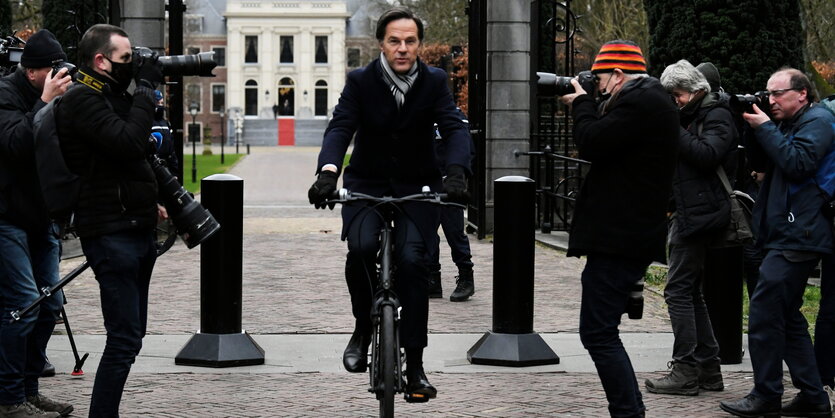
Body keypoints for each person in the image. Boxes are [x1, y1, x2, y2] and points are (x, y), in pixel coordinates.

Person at [307, 7, 471, 402]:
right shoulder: (361, 81)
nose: (402, 48)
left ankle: (414, 366)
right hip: (368, 183)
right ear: (382, 43)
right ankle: (363, 330)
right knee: (361, 249)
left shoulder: (433, 81)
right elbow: (342, 125)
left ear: (419, 44)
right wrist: (328, 172)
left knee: (415, 263)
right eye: (395, 41)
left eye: (410, 41)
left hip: (418, 186)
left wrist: (455, 172)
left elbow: (452, 126)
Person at [558, 40, 679, 417]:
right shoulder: (649, 99)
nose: (597, 86)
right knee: (601, 330)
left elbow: (593, 140)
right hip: (626, 234)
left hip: (621, 237)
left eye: (599, 79)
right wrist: (588, 105)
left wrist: (580, 104)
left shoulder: (640, 101)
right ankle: (629, 410)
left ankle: (628, 412)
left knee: (598, 332)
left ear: (618, 75)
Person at [54, 24, 165, 418]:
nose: (132, 65)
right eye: (125, 59)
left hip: (135, 229)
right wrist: (147, 91)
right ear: (101, 61)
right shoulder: (82, 101)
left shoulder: (112, 97)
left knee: (131, 337)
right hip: (110, 234)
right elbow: (131, 142)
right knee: (122, 339)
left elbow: (130, 159)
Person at [720, 68, 834, 417]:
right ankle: (813, 397)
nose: (770, 100)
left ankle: (766, 394)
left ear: (801, 93)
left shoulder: (818, 122)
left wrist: (766, 128)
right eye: (767, 94)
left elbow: (798, 163)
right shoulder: (787, 122)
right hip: (786, 232)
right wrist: (753, 127)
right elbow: (760, 164)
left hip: (800, 234)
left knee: (765, 314)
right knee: (787, 316)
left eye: (777, 94)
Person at [643, 59, 738, 396]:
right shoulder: (693, 115)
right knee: (691, 293)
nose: (675, 101)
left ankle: (685, 369)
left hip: (701, 214)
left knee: (678, 291)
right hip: (689, 211)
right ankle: (709, 370)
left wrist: (673, 127)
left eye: (678, 95)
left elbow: (707, 154)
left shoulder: (717, 114)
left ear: (696, 90)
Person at [0, 29, 74, 418]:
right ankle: (9, 399)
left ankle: (30, 391)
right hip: (7, 217)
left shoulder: (57, 98)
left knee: (50, 305)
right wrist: (45, 103)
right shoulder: (5, 95)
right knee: (23, 305)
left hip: (41, 216)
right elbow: (15, 145)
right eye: (51, 69)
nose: (58, 75)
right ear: (32, 72)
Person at [428, 114, 475, 302]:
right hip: (426, 184)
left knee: (454, 233)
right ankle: (432, 280)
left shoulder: (454, 117)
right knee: (427, 234)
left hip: (449, 185)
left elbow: (466, 149)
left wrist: (456, 176)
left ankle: (466, 277)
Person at [151, 90, 179, 171]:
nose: (160, 105)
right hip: (153, 166)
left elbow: (171, 149)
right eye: (157, 102)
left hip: (166, 166)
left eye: (161, 103)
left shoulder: (166, 123)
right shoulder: (147, 122)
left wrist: (174, 171)